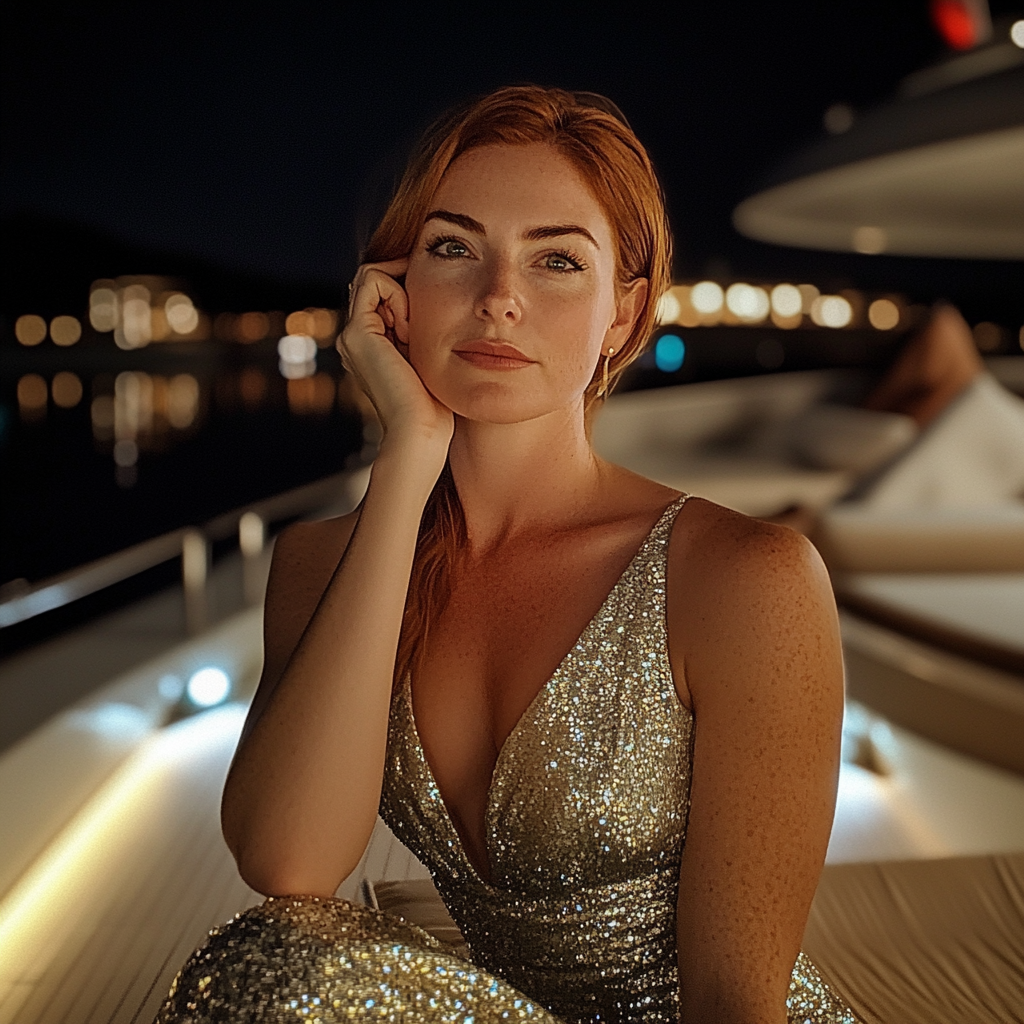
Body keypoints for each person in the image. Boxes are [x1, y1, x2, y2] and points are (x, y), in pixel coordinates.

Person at [158, 86, 858, 1024]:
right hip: (506, 1009)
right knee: (265, 968)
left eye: (558, 260)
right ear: (394, 292)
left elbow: (736, 1002)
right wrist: (406, 460)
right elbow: (288, 864)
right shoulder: (325, 563)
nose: (498, 300)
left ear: (623, 312)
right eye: (454, 249)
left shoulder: (744, 578)